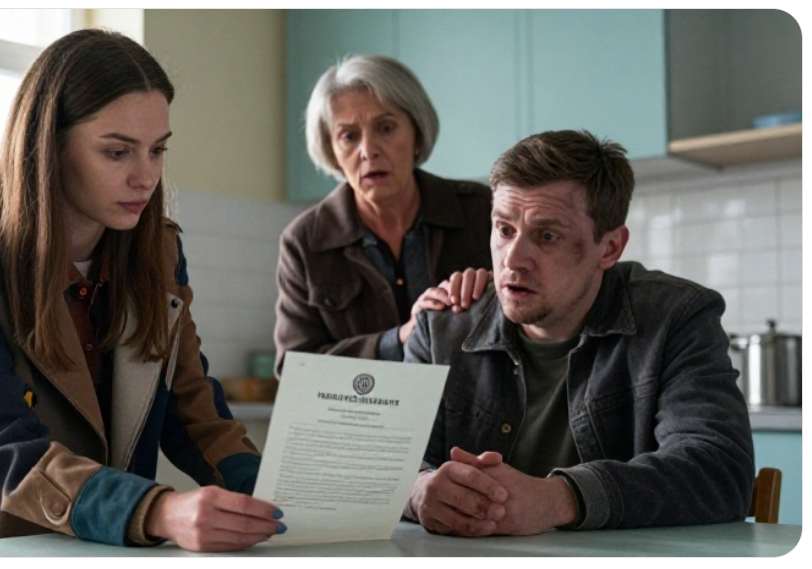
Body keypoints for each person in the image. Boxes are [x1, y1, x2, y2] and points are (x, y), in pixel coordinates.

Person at [0, 29, 284, 553]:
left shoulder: (159, 252)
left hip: (99, 544)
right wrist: (156, 510)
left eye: (158, 150)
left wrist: (270, 497)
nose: (146, 177)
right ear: (48, 147)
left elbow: (193, 411)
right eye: (117, 152)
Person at [404, 129, 754, 535]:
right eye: (504, 230)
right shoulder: (440, 327)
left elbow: (719, 471)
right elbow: (386, 462)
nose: (513, 260)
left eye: (547, 236)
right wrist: (417, 491)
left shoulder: (676, 318)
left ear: (610, 248)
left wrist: (559, 499)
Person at [274, 54, 492, 377]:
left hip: (470, 407)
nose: (368, 151)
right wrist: (398, 339)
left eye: (386, 128)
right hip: (363, 411)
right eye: (349, 136)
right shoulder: (305, 240)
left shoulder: (481, 210)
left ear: (417, 133)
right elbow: (295, 369)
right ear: (332, 152)